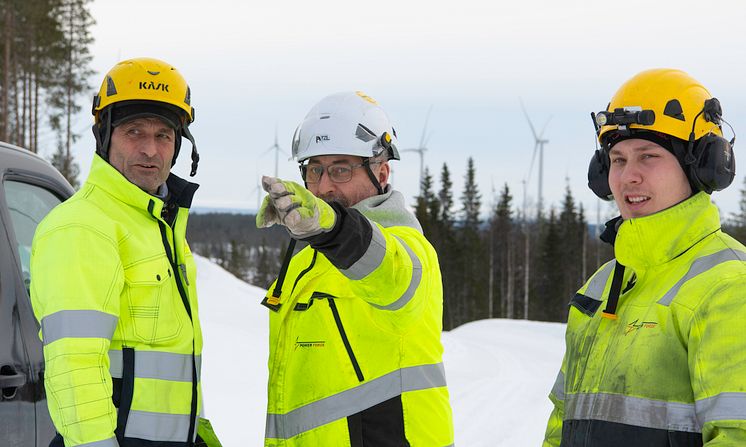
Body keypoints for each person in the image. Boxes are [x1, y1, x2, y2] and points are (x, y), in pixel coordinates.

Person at [543, 69, 746, 446]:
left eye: (648, 156)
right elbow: (561, 424)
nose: (627, 177)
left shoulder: (730, 286)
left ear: (702, 166)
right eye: (617, 160)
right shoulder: (601, 288)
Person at [30, 58, 219, 447]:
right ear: (104, 135)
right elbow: (74, 369)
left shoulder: (159, 227)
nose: (150, 149)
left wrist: (198, 434)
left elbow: (171, 357)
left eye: (164, 135)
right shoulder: (83, 227)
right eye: (135, 132)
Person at [256, 91, 454, 446]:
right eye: (314, 169)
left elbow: (390, 273)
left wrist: (333, 228)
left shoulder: (410, 250)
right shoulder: (303, 263)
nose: (324, 185)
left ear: (382, 171)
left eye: (341, 169)